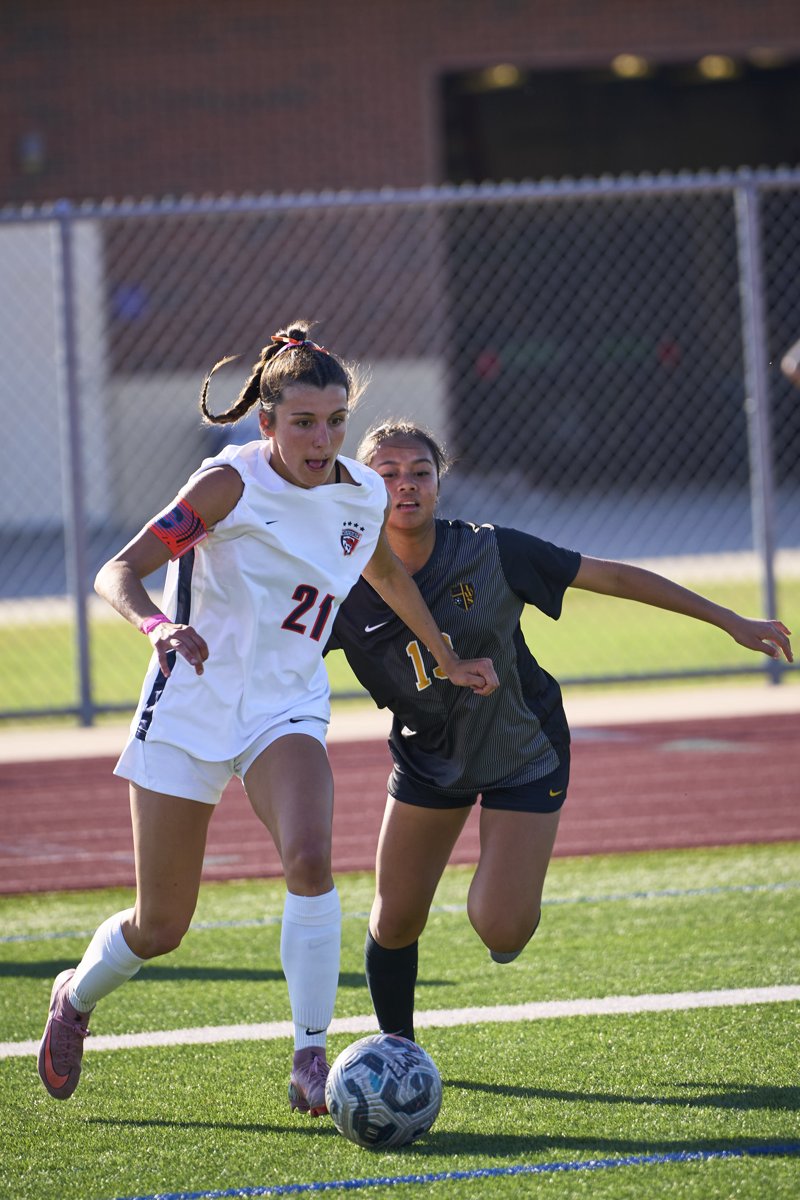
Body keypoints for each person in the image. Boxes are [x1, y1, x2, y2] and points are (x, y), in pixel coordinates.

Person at [37, 329, 497, 1115]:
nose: (322, 440)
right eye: (303, 423)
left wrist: (446, 657)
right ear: (266, 425)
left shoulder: (359, 490)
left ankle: (310, 1055)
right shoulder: (228, 487)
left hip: (284, 707)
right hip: (189, 707)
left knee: (312, 859)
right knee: (161, 925)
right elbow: (119, 569)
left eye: (335, 421)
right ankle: (75, 998)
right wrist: (158, 628)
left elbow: (382, 571)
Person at [325, 421, 793, 1044]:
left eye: (420, 473)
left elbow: (614, 577)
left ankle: (507, 895)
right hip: (429, 756)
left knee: (501, 928)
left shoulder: (490, 551)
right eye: (387, 474)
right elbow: (277, 645)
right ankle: (398, 1052)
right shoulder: (336, 575)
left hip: (523, 748)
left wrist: (727, 618)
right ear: (363, 485)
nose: (405, 486)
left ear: (440, 483)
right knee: (395, 917)